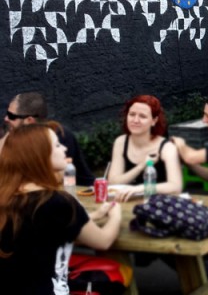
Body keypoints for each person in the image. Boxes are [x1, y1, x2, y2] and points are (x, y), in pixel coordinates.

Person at [0, 123, 121, 294]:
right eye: (57, 145)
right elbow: (103, 241)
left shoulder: (7, 197)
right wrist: (116, 214)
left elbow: (42, 227)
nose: (64, 148)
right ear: (40, 155)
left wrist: (94, 215)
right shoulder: (58, 202)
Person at [1, 92, 95, 185]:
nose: (6, 118)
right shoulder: (12, 134)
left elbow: (49, 179)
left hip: (80, 191)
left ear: (29, 120)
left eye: (11, 116)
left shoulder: (56, 136)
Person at [107, 95, 183, 202]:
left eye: (142, 116)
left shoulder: (167, 147)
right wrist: (141, 166)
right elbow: (113, 182)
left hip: (161, 204)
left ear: (154, 120)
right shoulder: (121, 142)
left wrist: (140, 188)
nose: (135, 120)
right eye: (132, 114)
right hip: (127, 202)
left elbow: (176, 187)